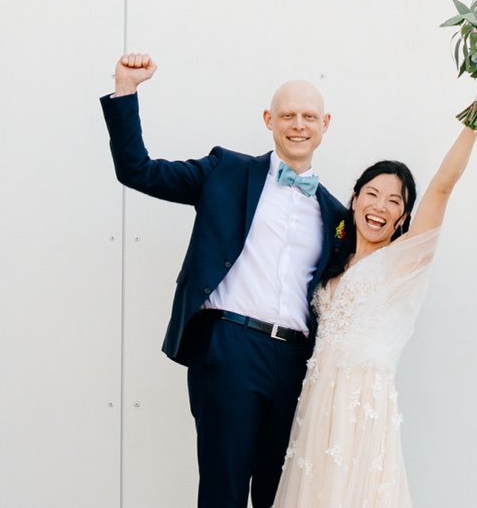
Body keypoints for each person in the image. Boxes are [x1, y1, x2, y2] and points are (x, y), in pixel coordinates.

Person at [100, 52, 350, 508]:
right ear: (268, 120)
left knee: (284, 495)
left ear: (325, 123)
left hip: (296, 362)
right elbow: (138, 171)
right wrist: (126, 90)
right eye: (288, 115)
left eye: (309, 116)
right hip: (230, 348)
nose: (298, 124)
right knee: (225, 492)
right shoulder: (225, 171)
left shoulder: (336, 215)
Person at [274, 87, 477, 508]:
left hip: (361, 403)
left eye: (394, 201)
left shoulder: (402, 265)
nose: (380, 206)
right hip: (317, 404)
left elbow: (441, 187)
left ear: (403, 218)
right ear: (355, 199)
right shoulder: (335, 260)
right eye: (372, 194)